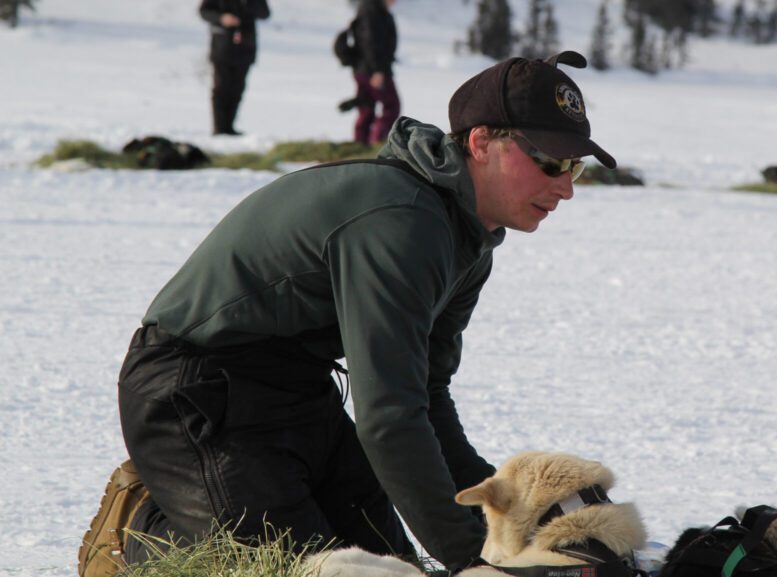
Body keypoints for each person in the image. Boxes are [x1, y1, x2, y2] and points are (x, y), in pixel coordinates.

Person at [78, 50, 616, 577]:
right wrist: (470, 559)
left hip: (299, 393)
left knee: (389, 567)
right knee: (298, 569)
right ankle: (144, 531)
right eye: (549, 161)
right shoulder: (402, 221)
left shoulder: (467, 240)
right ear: (481, 143)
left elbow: (426, 395)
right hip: (192, 391)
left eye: (575, 166)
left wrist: (506, 522)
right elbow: (389, 415)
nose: (565, 186)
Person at [200, 0, 271, 136]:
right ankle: (219, 127)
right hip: (222, 47)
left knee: (237, 89)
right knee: (221, 88)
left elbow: (265, 13)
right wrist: (222, 18)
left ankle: (229, 127)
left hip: (245, 48)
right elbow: (204, 12)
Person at [351, 0, 400, 145]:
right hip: (372, 71)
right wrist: (378, 70)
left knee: (367, 106)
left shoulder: (372, 9)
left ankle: (361, 144)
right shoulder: (372, 11)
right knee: (391, 106)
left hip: (364, 69)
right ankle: (376, 143)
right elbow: (370, 42)